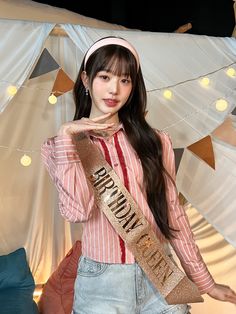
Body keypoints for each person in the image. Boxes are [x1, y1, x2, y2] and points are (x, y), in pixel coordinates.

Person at [41, 36, 236, 313]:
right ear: (86, 79)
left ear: (133, 86)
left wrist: (204, 281)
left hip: (161, 273)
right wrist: (67, 136)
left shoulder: (157, 142)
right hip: (102, 283)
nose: (114, 89)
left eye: (125, 80)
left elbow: (172, 213)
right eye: (105, 77)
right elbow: (77, 211)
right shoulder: (61, 147)